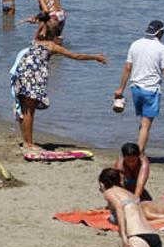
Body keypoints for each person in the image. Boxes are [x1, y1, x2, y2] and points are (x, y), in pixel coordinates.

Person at [12, 16, 106, 151]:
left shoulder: (36, 40)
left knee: (24, 109)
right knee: (30, 112)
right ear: (55, 36)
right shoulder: (52, 46)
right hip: (33, 77)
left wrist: (39, 20)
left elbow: (42, 24)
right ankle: (29, 143)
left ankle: (26, 141)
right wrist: (95, 57)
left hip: (21, 73)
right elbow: (76, 56)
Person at [113, 20, 164, 152]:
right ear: (160, 32)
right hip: (151, 90)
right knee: (146, 124)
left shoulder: (135, 44)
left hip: (135, 89)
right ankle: (138, 154)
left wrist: (121, 88)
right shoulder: (161, 48)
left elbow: (127, 67)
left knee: (143, 122)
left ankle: (139, 149)